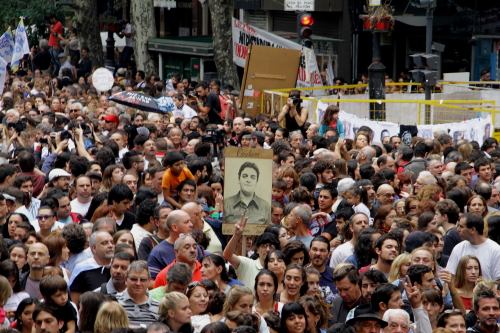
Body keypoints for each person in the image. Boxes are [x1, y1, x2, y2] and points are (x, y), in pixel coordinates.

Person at [224, 215, 280, 290]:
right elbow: (227, 255)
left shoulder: (280, 269)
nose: (267, 249)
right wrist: (236, 236)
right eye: (264, 246)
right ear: (257, 250)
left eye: (272, 246)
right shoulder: (247, 264)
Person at [446, 212, 500, 281]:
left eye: (461, 227)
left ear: (473, 230)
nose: (458, 229)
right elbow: (451, 276)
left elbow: (498, 281)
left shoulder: (495, 250)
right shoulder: (459, 248)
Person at [69, 231, 114, 307]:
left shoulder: (119, 267)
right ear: (94, 248)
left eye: (112, 242)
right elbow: (75, 304)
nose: (110, 245)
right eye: (104, 243)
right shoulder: (82, 269)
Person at [115, 261, 160, 326]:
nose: (138, 283)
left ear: (149, 281)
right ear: (126, 280)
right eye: (134, 279)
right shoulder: (115, 301)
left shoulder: (158, 307)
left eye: (143, 280)